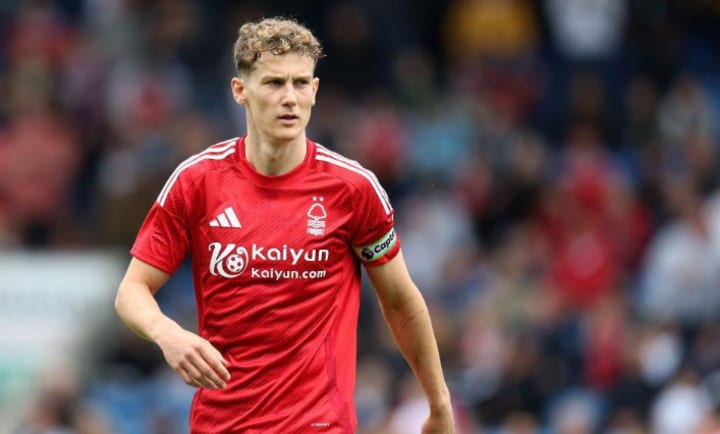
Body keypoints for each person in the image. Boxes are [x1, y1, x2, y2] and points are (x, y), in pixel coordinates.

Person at [114, 16, 454, 434]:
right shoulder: (196, 181)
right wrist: (168, 334)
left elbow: (400, 302)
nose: (289, 98)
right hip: (222, 425)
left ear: (315, 90)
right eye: (274, 83)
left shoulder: (352, 189)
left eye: (300, 83)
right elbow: (132, 290)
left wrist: (439, 404)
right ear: (240, 90)